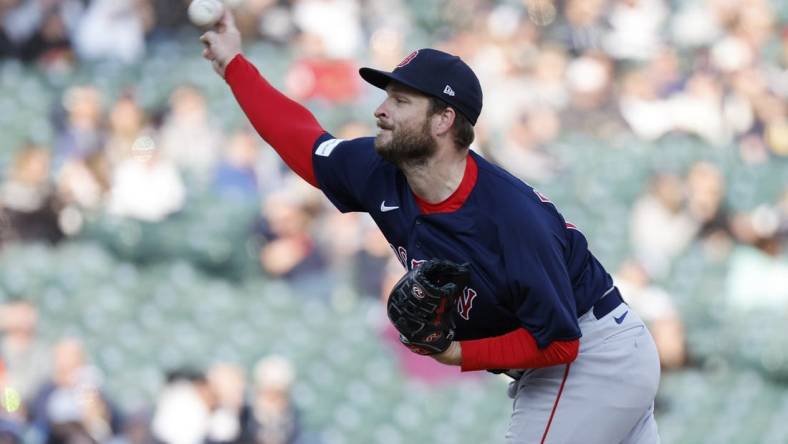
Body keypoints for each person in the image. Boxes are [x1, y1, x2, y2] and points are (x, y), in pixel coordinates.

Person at [200, 11, 661, 443]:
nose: (381, 110)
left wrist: (457, 353)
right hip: (586, 359)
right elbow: (302, 140)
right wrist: (234, 65)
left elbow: (560, 343)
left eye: (401, 101)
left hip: (593, 355)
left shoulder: (511, 217)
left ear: (444, 120)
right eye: (386, 97)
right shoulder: (381, 168)